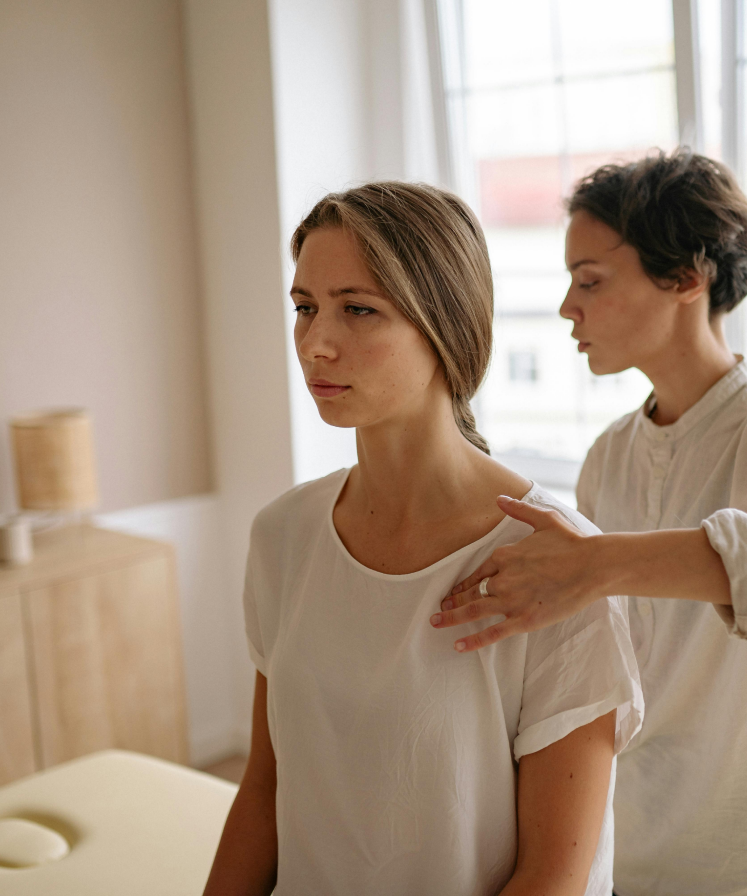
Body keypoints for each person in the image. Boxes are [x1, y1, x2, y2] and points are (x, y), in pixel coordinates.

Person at [432, 150, 747, 896]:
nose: (566, 307)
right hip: (630, 847)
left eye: (589, 280)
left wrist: (603, 562)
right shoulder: (608, 457)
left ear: (687, 277)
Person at [203, 182, 643, 896]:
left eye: (358, 310)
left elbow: (552, 878)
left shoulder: (555, 565)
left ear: (444, 323)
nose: (315, 342)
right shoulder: (282, 536)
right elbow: (264, 790)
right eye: (305, 307)